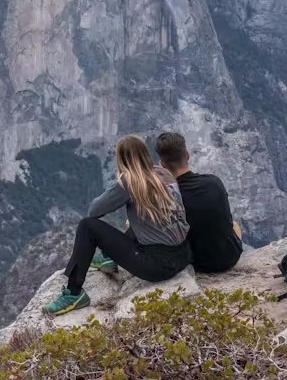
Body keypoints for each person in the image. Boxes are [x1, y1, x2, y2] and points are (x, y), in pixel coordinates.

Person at [44, 135, 191, 316]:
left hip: (157, 266)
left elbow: (94, 211)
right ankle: (108, 259)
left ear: (121, 159)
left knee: (87, 227)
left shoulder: (131, 182)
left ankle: (74, 293)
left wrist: (120, 183)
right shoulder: (164, 174)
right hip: (183, 255)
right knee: (143, 220)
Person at [155, 131, 242, 273]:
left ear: (163, 164)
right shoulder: (214, 182)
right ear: (187, 155)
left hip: (199, 265)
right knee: (235, 225)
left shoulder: (168, 197)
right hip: (231, 257)